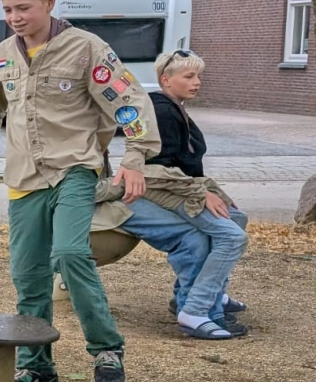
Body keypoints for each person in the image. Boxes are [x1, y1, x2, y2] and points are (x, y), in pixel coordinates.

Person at [0, 0, 160, 382]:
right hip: (24, 178)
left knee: (71, 253)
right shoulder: (4, 55)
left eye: (24, 8)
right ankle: (37, 371)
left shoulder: (86, 49)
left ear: (49, 2)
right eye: (8, 9)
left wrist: (134, 157)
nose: (15, 18)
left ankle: (106, 349)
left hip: (73, 169)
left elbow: (129, 102)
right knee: (28, 277)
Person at [92, 49, 249, 339]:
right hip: (164, 190)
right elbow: (156, 168)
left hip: (178, 186)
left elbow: (187, 165)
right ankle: (198, 307)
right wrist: (201, 194)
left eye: (198, 76)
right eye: (189, 76)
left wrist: (211, 190)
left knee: (235, 218)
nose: (197, 82)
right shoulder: (162, 112)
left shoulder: (175, 108)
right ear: (166, 80)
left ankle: (207, 293)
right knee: (230, 236)